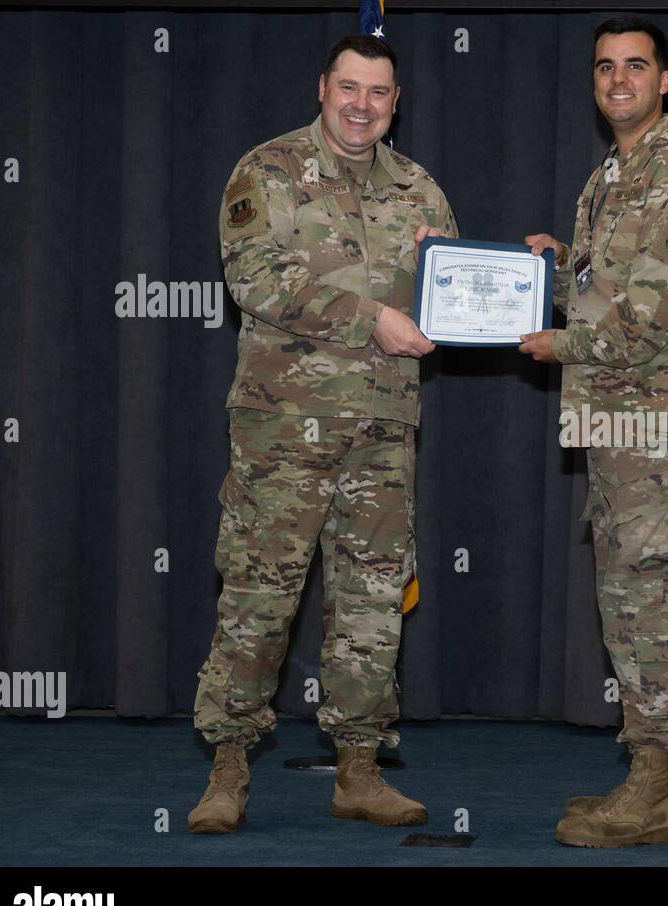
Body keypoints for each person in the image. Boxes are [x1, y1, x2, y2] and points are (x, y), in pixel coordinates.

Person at [187, 34, 457, 834]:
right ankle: (229, 766)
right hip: (282, 432)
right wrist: (373, 316)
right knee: (258, 598)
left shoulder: (420, 190)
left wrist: (508, 279)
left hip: (382, 429)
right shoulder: (265, 171)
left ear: (395, 102)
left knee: (372, 604)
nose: (361, 106)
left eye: (378, 93)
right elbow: (255, 277)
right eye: (349, 88)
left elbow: (449, 291)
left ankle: (360, 768)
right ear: (323, 87)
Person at [520, 15, 668, 848]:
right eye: (605, 66)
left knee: (647, 600)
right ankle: (663, 782)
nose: (618, 80)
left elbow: (654, 312)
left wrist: (557, 341)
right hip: (618, 419)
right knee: (628, 598)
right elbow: (612, 284)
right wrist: (561, 260)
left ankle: (654, 778)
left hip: (659, 418)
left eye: (635, 66)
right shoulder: (611, 174)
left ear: (664, 80)